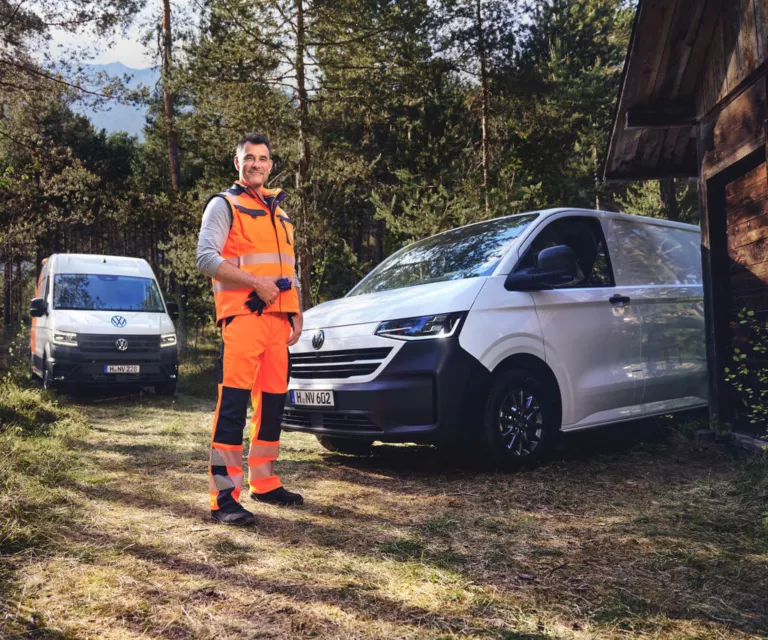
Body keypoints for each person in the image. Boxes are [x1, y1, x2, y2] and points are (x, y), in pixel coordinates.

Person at [196, 132, 304, 526]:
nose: (256, 164)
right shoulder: (224, 205)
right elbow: (205, 258)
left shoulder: (281, 214)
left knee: (272, 406)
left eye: (262, 158)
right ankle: (224, 498)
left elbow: (289, 269)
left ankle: (265, 482)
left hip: (279, 324)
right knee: (233, 407)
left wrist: (297, 310)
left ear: (270, 164)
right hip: (243, 320)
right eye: (249, 157)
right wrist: (255, 283)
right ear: (237, 162)